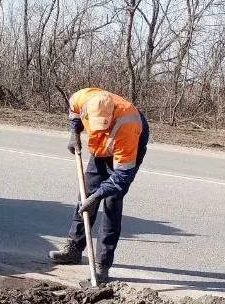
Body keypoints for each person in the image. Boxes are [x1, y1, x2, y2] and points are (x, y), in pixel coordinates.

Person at [48, 88, 150, 286]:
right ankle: (74, 249)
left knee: (112, 201)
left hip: (124, 149)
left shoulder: (128, 127)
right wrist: (74, 132)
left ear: (111, 117)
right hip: (102, 147)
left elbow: (121, 176)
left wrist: (97, 196)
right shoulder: (82, 98)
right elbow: (73, 111)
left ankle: (102, 266)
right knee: (85, 194)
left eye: (103, 126)